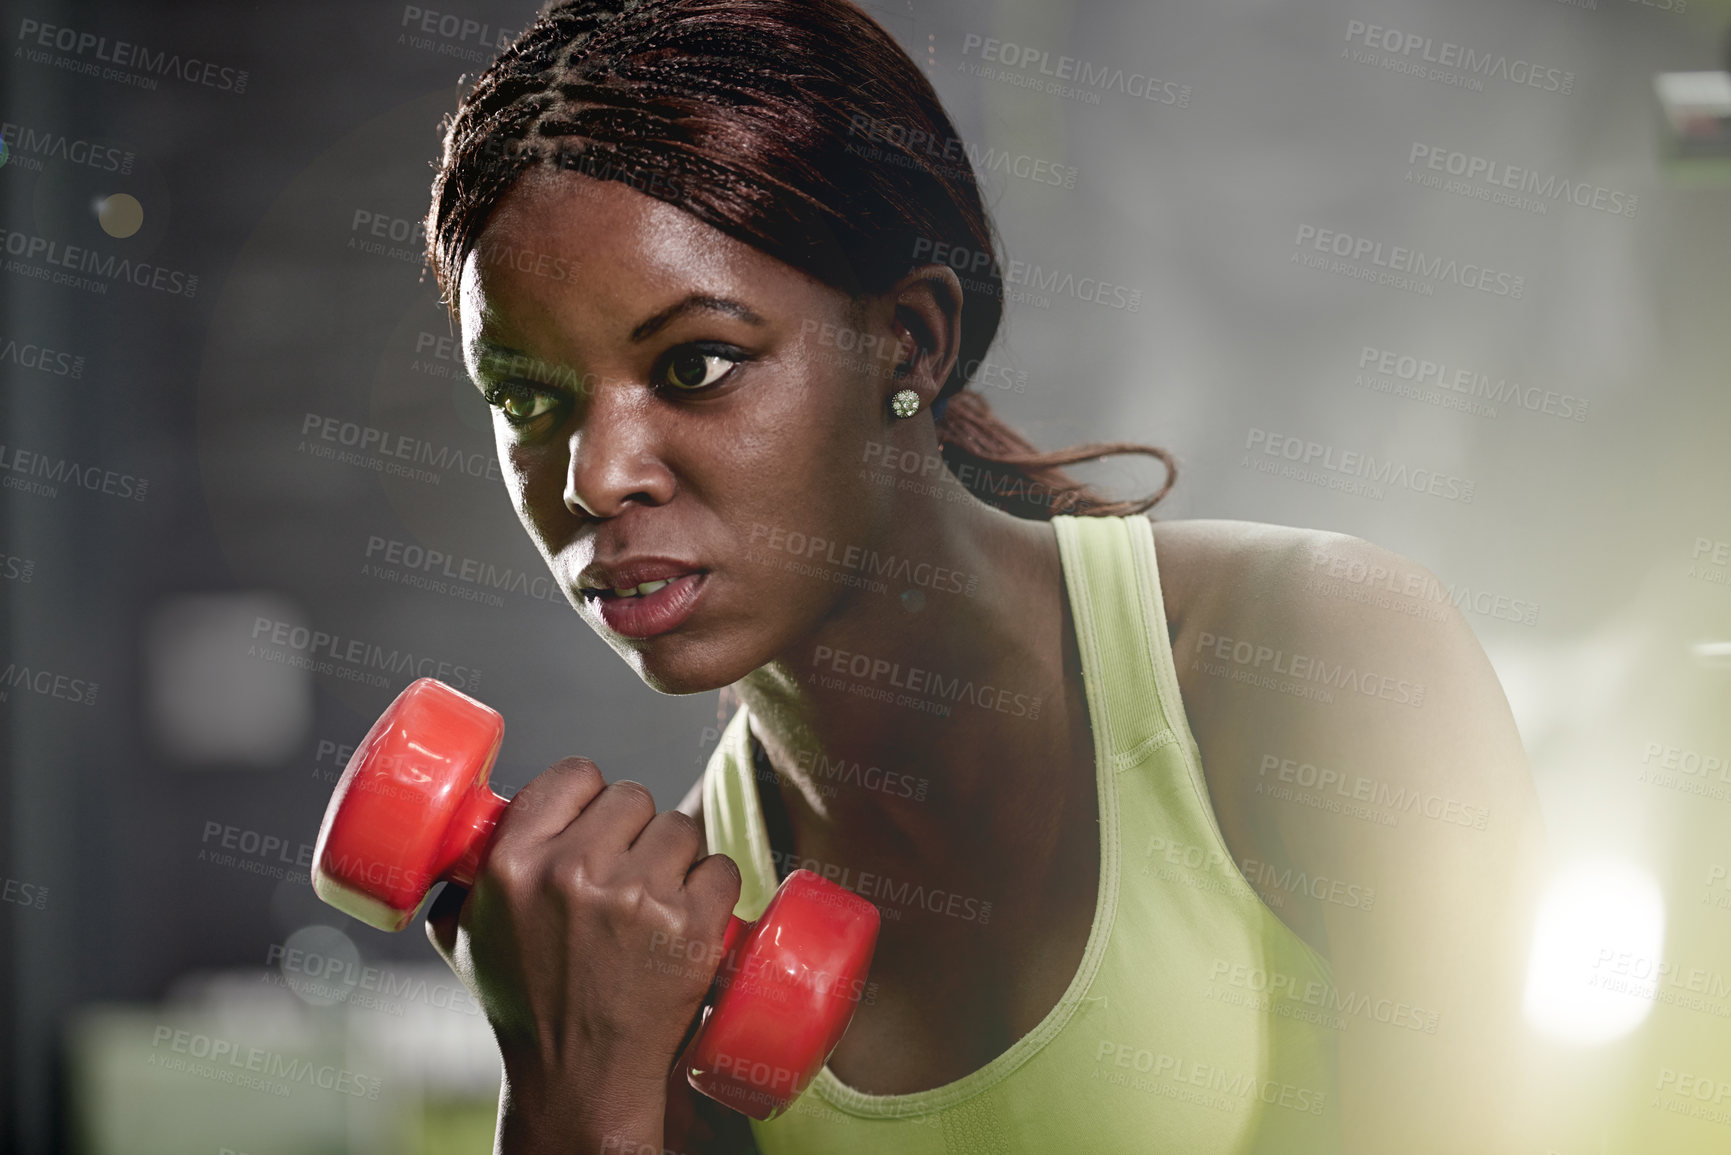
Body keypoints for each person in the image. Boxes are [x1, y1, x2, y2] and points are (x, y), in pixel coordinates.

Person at [417, 1, 1549, 1151]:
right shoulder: (648, 948)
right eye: (526, 398)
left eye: (696, 364)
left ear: (909, 343)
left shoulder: (1321, 658)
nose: (597, 475)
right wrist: (573, 1086)